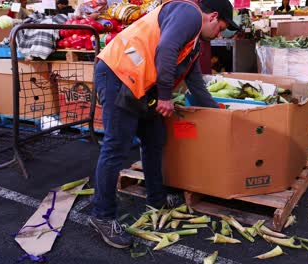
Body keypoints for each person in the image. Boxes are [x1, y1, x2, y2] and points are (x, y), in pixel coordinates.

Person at [88, 0, 239, 249]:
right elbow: (166, 49)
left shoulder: (193, 45)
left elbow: (197, 85)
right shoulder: (189, 13)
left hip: (142, 85)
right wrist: (166, 96)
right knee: (116, 147)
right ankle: (102, 216)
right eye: (221, 27)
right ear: (213, 16)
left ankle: (156, 198)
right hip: (118, 74)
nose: (220, 34)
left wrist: (221, 116)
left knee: (155, 139)